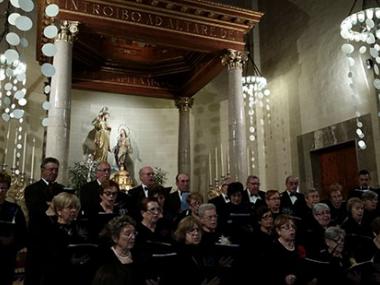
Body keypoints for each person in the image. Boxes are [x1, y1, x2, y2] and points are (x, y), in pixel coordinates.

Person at [24, 157, 65, 285]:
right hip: (38, 237)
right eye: (51, 169)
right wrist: (55, 208)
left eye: (56, 170)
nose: (54, 172)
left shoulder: (61, 189)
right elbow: (38, 210)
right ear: (42, 170)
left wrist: (51, 206)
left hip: (56, 237)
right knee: (34, 274)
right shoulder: (32, 189)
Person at [94, 215, 145, 285]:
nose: (133, 237)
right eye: (128, 234)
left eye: (134, 233)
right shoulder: (104, 259)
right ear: (115, 237)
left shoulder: (139, 256)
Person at [0, 172, 27, 285]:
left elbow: (23, 233)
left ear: (7, 189)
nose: (0, 190)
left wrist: (12, 241)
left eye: (3, 187)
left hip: (6, 255)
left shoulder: (14, 209)